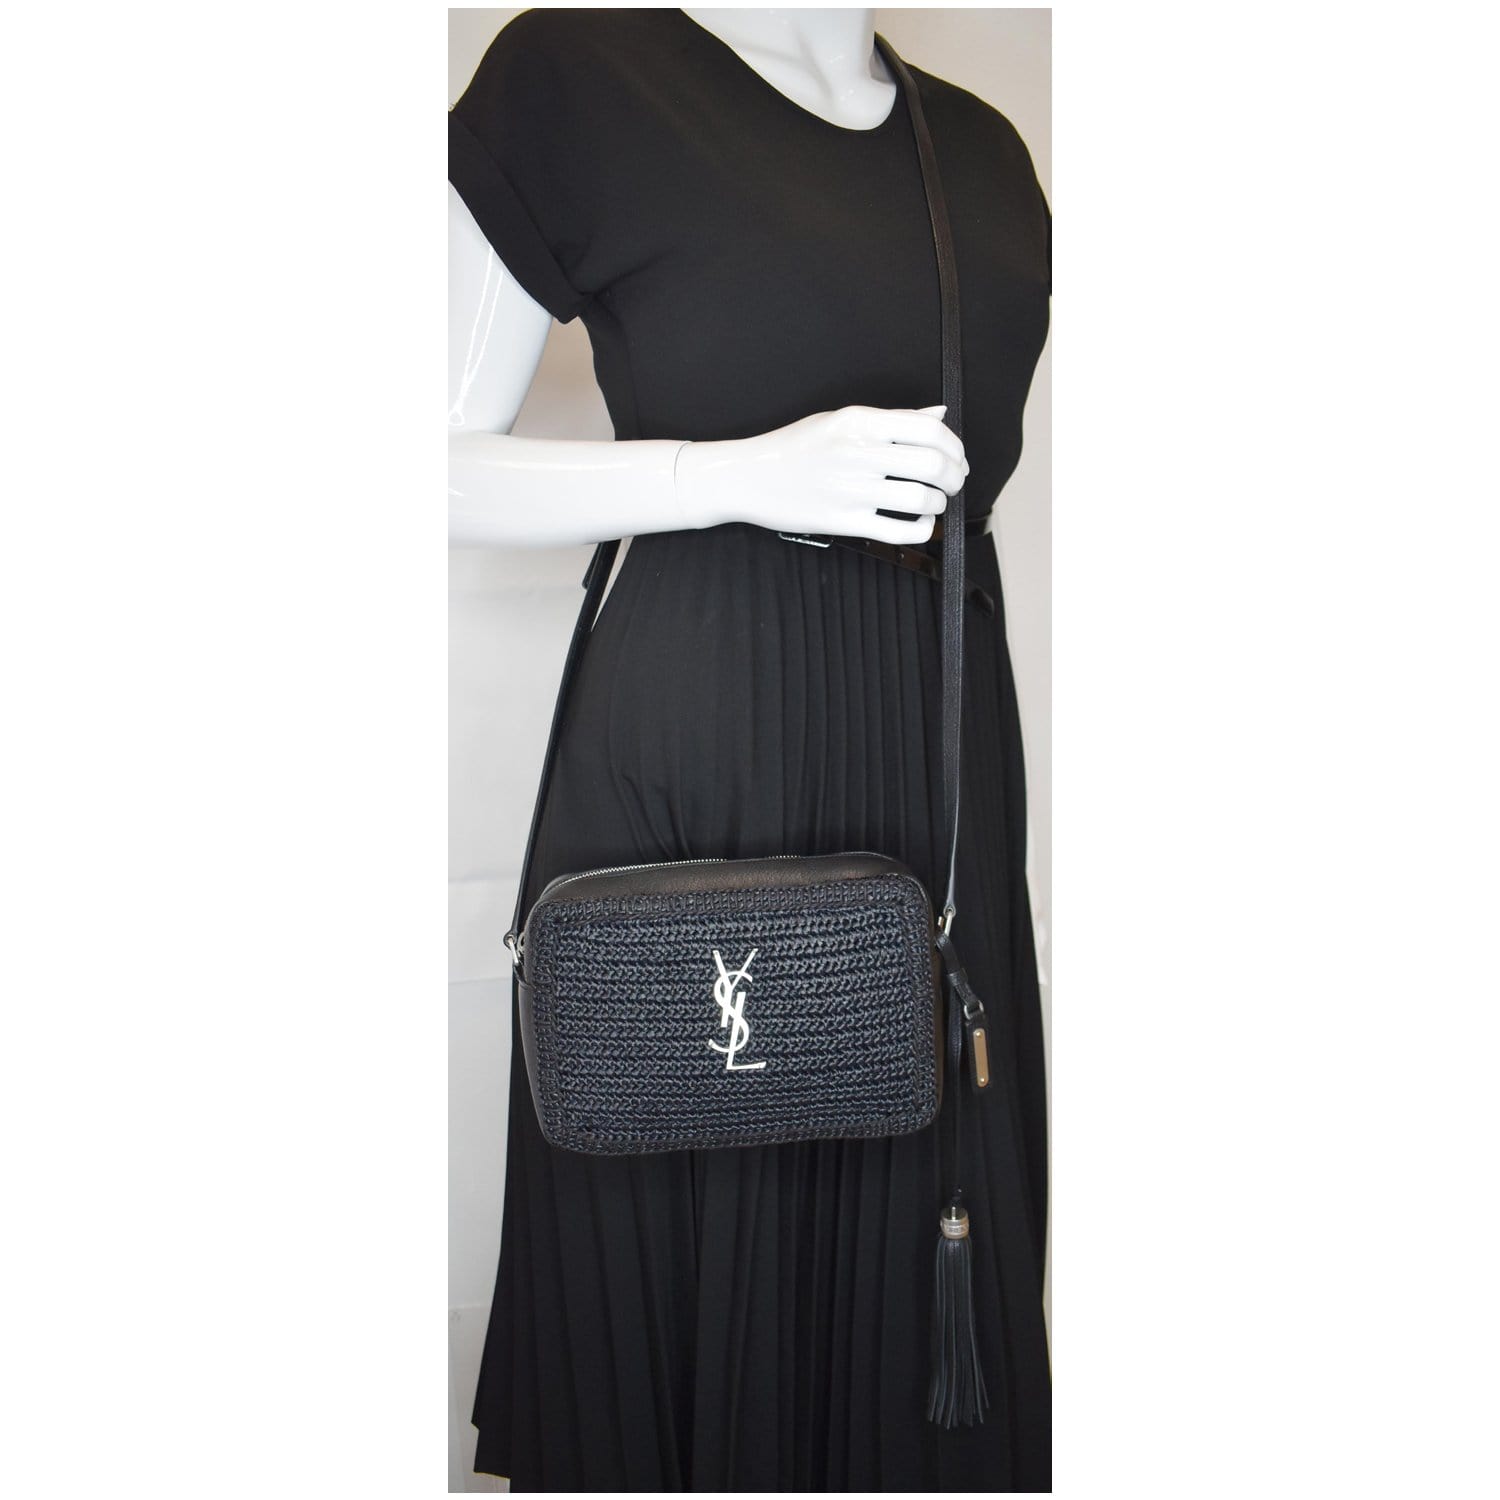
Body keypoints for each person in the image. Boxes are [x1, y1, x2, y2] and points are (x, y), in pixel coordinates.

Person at [449, 8, 1052, 1489]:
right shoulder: (581, 77)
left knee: (922, 1202)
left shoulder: (980, 154)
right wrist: (741, 474)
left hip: (934, 762)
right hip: (701, 753)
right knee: (687, 1154)